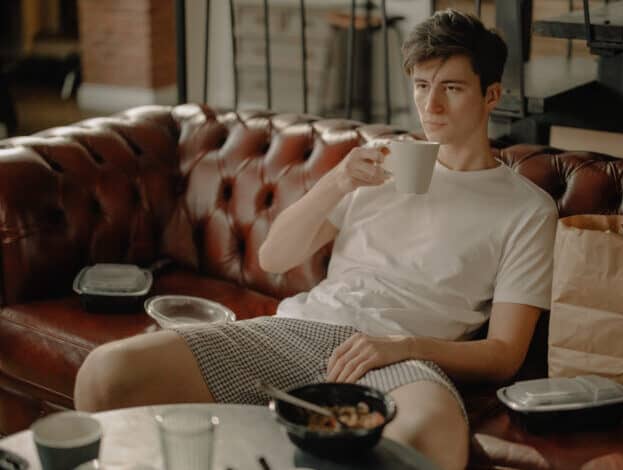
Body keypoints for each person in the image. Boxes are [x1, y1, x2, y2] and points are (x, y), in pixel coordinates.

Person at [74, 9, 557, 470]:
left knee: (429, 438)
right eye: (422, 86)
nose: (431, 106)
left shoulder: (526, 209)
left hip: (403, 360)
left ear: (491, 95)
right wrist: (338, 181)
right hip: (301, 331)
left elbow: (503, 355)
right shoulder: (378, 162)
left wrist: (404, 346)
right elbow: (274, 256)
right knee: (105, 374)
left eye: (451, 89)